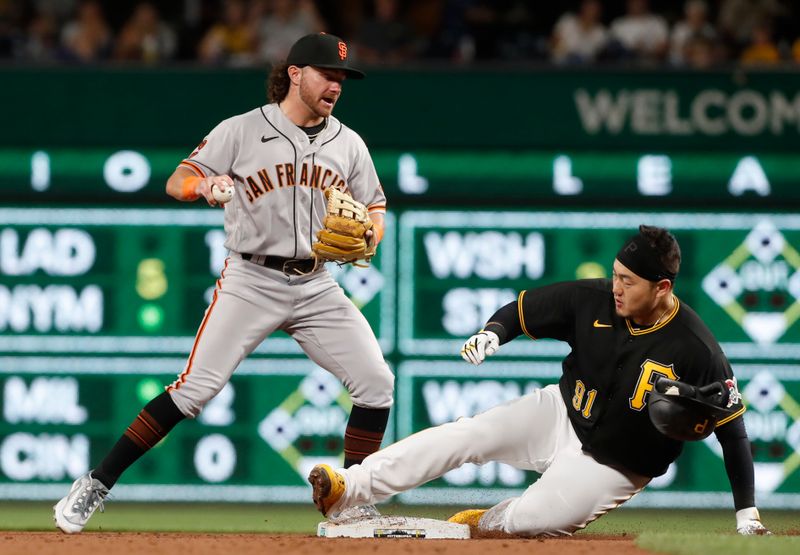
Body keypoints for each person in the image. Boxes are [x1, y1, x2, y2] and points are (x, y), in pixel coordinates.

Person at [54, 32, 393, 534]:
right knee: (193, 392)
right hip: (251, 278)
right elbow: (177, 180)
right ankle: (96, 484)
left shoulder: (349, 142)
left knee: (377, 384)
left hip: (316, 284)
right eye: (327, 73)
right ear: (295, 74)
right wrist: (205, 184)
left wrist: (370, 234)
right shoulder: (242, 130)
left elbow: (376, 206)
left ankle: (352, 504)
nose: (336, 85)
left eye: (342, 77)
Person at [309, 225, 771, 537]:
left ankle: (487, 524)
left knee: (531, 521)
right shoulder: (594, 299)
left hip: (615, 465)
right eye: (615, 274)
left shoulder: (697, 347)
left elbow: (733, 432)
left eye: (628, 281)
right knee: (467, 433)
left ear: (662, 288)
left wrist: (746, 512)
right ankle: (348, 489)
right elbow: (522, 312)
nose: (616, 287)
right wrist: (493, 333)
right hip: (562, 413)